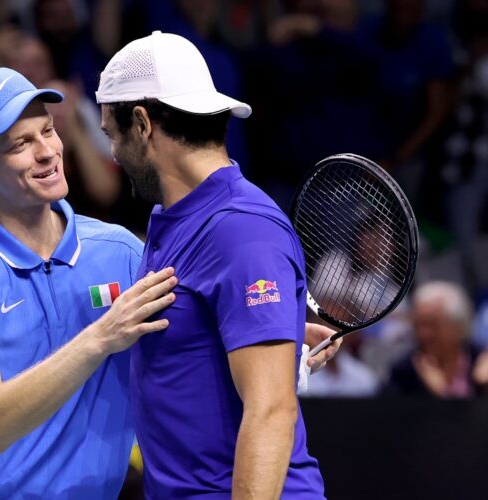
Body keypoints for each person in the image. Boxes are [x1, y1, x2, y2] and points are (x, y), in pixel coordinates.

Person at [0, 66, 178, 498]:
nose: (47, 152)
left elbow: (184, 352)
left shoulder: (120, 250)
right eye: (21, 144)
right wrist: (101, 337)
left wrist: (275, 341)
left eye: (48, 131)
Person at [96, 31, 328, 498]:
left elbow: (271, 411)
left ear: (142, 124)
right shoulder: (172, 218)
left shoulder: (242, 230)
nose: (113, 154)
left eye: (112, 135)